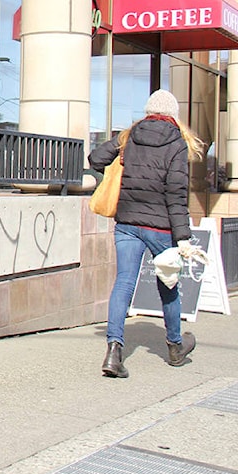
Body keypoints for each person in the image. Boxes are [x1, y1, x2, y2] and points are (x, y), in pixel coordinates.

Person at [88, 89, 204, 378]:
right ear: (173, 115)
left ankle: (114, 351)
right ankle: (175, 348)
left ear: (148, 111)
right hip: (161, 227)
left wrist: (122, 155)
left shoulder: (130, 135)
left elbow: (95, 158)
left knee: (124, 283)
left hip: (127, 223)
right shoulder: (177, 143)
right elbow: (176, 193)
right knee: (168, 285)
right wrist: (183, 237)